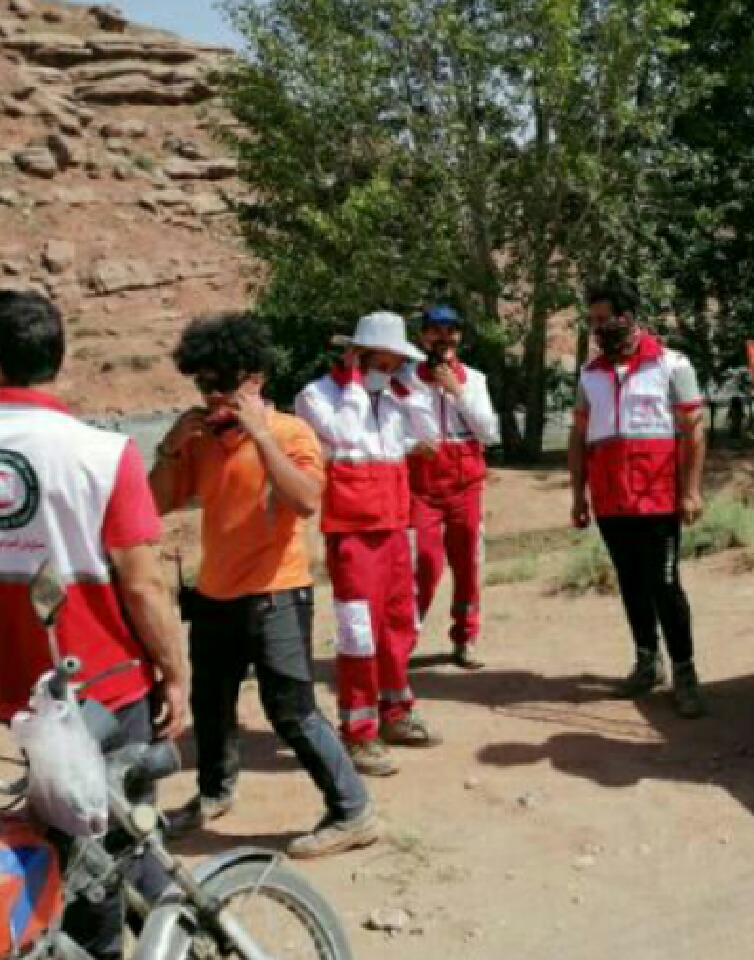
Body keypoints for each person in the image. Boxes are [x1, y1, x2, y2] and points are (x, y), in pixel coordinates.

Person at [149, 313, 378, 859]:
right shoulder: (200, 441)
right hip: (213, 595)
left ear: (255, 380)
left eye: (222, 384)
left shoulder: (292, 433)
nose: (212, 397)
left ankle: (353, 810)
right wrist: (168, 447)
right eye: (203, 385)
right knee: (211, 704)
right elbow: (154, 502)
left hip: (277, 593)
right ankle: (213, 793)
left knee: (291, 710)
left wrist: (259, 435)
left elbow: (304, 500)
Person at [0, 291, 187, 960]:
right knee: (122, 847)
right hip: (100, 687)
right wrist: (176, 672)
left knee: (52, 857)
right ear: (59, 357)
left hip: (11, 697)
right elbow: (142, 582)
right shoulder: (103, 453)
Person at [295, 311, 439, 776]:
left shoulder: (397, 397)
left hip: (396, 526)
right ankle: (359, 732)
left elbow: (429, 438)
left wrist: (411, 389)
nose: (395, 367)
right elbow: (344, 434)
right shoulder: (318, 396)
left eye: (400, 361)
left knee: (399, 623)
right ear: (358, 355)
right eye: (387, 359)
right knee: (359, 633)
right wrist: (356, 383)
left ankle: (395, 712)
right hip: (353, 534)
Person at [568, 278, 708, 718]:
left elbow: (693, 431)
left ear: (628, 318)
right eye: (591, 321)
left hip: (659, 502)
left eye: (602, 319)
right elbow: (577, 438)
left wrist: (691, 490)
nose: (596, 328)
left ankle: (685, 672)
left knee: (665, 586)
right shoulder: (589, 376)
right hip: (611, 503)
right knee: (630, 585)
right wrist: (578, 495)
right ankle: (648, 662)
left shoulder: (671, 365)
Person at [403, 305, 501, 669]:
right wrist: (410, 444)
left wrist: (457, 391)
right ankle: (405, 638)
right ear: (422, 335)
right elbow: (392, 426)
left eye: (451, 331)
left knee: (468, 565)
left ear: (460, 336)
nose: (443, 339)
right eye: (435, 331)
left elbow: (489, 433)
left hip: (466, 483)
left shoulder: (473, 379)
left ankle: (465, 637)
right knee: (424, 563)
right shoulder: (405, 379)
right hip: (421, 485)